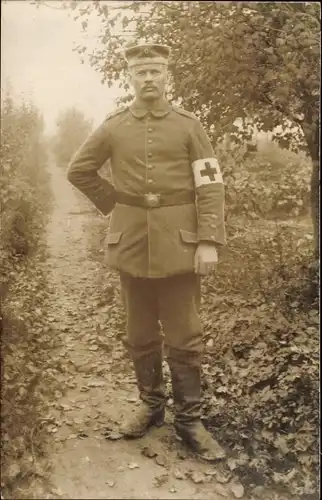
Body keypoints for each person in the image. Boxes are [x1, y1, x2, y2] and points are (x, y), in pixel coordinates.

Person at [67, 43, 227, 462]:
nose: (149, 78)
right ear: (131, 78)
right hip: (132, 243)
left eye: (156, 70)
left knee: (185, 336)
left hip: (180, 245)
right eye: (142, 72)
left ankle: (189, 421)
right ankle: (151, 407)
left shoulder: (190, 126)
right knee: (139, 333)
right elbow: (78, 170)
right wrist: (113, 205)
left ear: (167, 75)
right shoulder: (114, 126)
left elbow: (210, 185)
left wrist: (207, 240)